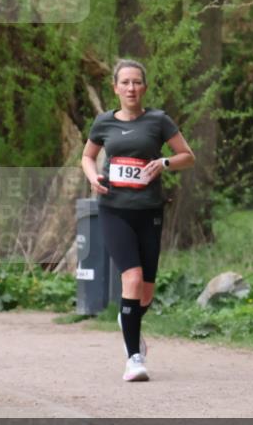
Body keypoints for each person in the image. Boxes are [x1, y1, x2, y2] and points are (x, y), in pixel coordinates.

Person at [81, 59, 195, 382]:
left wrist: (164, 163)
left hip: (149, 211)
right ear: (115, 88)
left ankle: (128, 319)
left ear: (144, 87)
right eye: (125, 83)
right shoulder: (104, 123)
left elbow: (188, 156)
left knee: (145, 293)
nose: (131, 88)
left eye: (136, 82)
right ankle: (134, 358)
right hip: (114, 209)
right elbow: (87, 157)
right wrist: (92, 177)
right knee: (130, 280)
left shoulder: (158, 121)